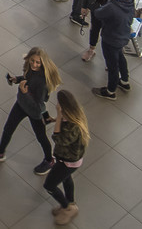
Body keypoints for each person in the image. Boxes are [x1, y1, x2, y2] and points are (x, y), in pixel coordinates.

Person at [0, 47, 60, 171]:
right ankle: (0, 152)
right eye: (32, 60)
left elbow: (38, 105)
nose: (34, 64)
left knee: (41, 137)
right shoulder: (29, 69)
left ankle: (49, 160)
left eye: (37, 62)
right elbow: (27, 79)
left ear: (43, 63)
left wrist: (25, 93)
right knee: (8, 128)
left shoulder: (43, 83)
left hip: (34, 112)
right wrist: (17, 79)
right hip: (21, 104)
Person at [42, 89, 88, 224]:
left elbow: (58, 139)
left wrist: (58, 115)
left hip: (67, 162)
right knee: (66, 179)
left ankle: (67, 207)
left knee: (49, 186)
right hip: (69, 160)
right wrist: (56, 119)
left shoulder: (73, 127)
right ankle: (70, 202)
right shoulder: (74, 115)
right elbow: (64, 122)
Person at [91, 0, 134, 99]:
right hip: (123, 37)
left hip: (111, 40)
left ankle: (110, 91)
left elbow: (98, 13)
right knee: (120, 57)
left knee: (112, 66)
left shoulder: (112, 7)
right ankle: (124, 81)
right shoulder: (130, 1)